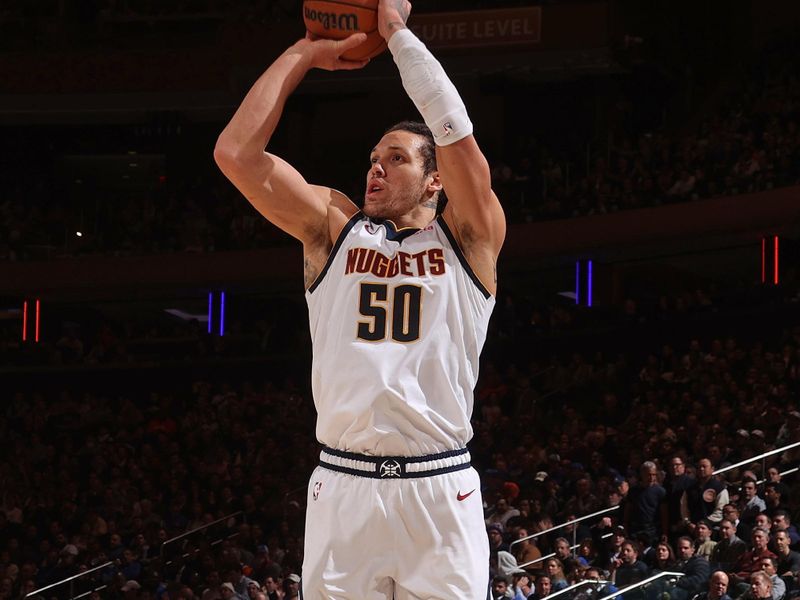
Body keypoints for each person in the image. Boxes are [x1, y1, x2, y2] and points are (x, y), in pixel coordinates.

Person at [214, 0, 506, 597]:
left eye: (395, 159)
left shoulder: (471, 238)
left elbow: (457, 135)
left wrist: (397, 36)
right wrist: (304, 53)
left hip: (439, 484)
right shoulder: (333, 227)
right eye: (373, 160)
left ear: (435, 180)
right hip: (344, 484)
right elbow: (235, 154)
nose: (375, 170)